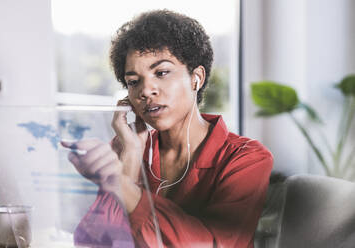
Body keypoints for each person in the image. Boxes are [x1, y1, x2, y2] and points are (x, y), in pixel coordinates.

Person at [61, 9, 273, 248]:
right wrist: (129, 160)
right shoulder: (129, 148)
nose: (145, 90)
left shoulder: (246, 158)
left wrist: (120, 184)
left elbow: (214, 244)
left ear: (196, 78)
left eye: (161, 73)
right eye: (133, 81)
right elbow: (92, 242)